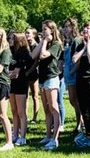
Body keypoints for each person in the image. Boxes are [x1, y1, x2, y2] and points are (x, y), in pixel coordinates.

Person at [35, 20, 64, 150]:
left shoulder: (56, 44)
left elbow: (42, 55)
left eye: (45, 29)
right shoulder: (45, 43)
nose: (43, 31)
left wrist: (45, 42)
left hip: (51, 78)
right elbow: (33, 54)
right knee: (46, 109)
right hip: (42, 78)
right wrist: (42, 41)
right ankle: (47, 136)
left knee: (53, 107)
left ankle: (55, 138)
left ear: (52, 30)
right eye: (42, 29)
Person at [8, 31, 35, 146]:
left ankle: (23, 136)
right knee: (13, 110)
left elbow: (16, 73)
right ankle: (15, 133)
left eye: (12, 39)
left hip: (20, 83)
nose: (10, 41)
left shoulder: (23, 52)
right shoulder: (11, 52)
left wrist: (5, 74)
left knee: (21, 111)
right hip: (12, 84)